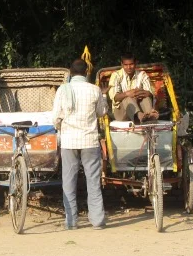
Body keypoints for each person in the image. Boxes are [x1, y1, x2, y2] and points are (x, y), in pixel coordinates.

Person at [52, 58, 107, 230]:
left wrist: (61, 126)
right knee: (93, 181)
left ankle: (71, 221)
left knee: (68, 181)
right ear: (86, 72)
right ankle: (97, 221)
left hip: (69, 141)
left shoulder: (63, 89)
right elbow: (102, 112)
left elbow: (55, 118)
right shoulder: (94, 89)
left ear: (70, 72)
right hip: (89, 140)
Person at [106, 53, 158, 122]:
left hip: (141, 107)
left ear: (136, 63)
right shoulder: (116, 75)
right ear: (122, 64)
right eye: (126, 65)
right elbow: (115, 97)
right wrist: (127, 94)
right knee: (127, 98)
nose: (129, 67)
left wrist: (141, 93)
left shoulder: (142, 75)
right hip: (121, 113)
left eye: (131, 64)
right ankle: (139, 116)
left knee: (146, 97)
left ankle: (150, 115)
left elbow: (150, 94)